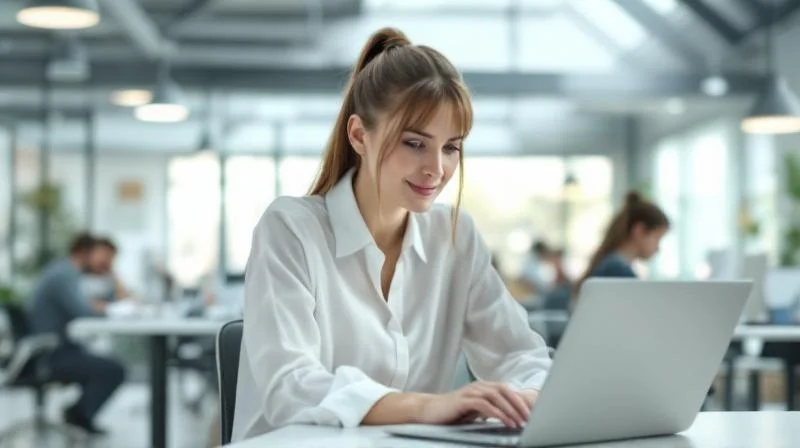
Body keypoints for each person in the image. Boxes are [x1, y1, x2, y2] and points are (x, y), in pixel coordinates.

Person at [232, 28, 551, 441]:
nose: (436, 169)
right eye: (415, 143)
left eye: (451, 147)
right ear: (359, 135)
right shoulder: (290, 229)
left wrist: (527, 398)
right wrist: (429, 407)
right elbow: (292, 386)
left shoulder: (455, 237)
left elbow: (521, 354)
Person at [27, 233, 125, 435]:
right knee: (113, 370)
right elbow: (84, 311)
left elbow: (92, 304)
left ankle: (79, 415)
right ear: (84, 253)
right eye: (100, 255)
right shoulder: (63, 275)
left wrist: (110, 281)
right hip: (51, 355)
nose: (105, 262)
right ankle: (77, 415)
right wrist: (105, 307)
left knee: (108, 365)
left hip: (57, 349)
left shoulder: (66, 273)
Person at [573, 191, 670, 298]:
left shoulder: (611, 264)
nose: (658, 248)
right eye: (657, 238)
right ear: (639, 230)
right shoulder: (618, 271)